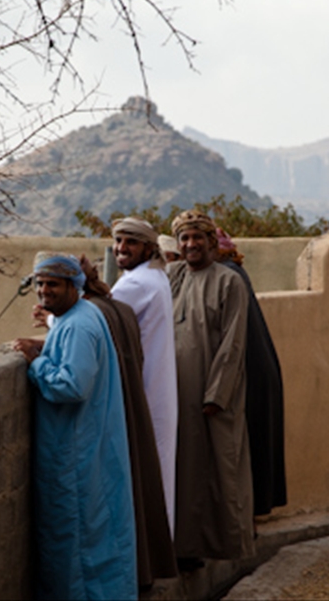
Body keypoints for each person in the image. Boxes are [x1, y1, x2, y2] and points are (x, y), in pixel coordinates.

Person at [12, 252, 136, 600]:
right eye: (40, 283)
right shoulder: (73, 318)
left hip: (76, 453)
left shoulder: (80, 324)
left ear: (73, 285)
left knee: (80, 537)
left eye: (53, 284)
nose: (44, 291)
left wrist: (36, 364)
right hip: (80, 447)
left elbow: (72, 385)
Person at [79, 255, 178, 588]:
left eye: (53, 285)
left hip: (125, 402)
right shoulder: (147, 283)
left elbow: (71, 379)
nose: (122, 248)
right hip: (143, 393)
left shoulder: (132, 287)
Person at [168, 210, 255, 566]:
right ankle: (185, 549)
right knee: (183, 471)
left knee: (219, 471)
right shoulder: (173, 276)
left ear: (211, 241)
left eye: (197, 238)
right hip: (176, 393)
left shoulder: (228, 281)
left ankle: (225, 549)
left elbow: (234, 342)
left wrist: (216, 394)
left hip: (211, 395)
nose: (190, 244)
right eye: (184, 239)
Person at [110, 218, 179, 535]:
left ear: (149, 248)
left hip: (145, 392)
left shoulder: (134, 284)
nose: (121, 248)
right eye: (119, 241)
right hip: (159, 390)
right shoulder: (155, 276)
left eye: (131, 242)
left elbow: (101, 323)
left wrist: (53, 322)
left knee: (142, 474)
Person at [215, 228, 288, 516]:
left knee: (248, 448)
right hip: (257, 369)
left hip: (248, 373)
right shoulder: (234, 272)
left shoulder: (227, 276)